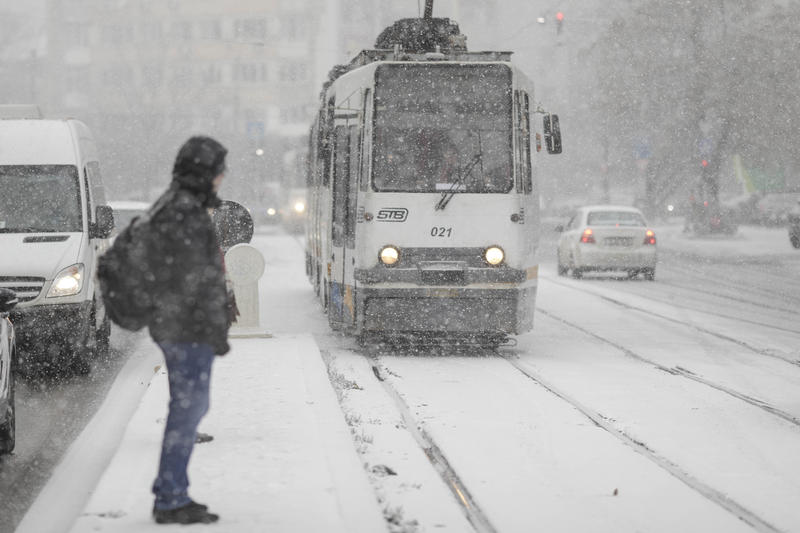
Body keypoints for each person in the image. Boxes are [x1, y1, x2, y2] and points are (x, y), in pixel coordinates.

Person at [146, 136, 231, 525]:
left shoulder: (180, 205)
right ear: (204, 173)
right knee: (188, 407)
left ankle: (170, 490)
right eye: (218, 170)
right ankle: (170, 497)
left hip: (181, 324)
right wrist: (207, 323)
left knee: (191, 405)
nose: (222, 177)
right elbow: (187, 277)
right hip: (184, 327)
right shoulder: (183, 211)